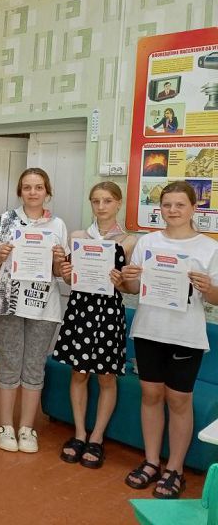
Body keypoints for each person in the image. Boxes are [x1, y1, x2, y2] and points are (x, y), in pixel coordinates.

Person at [121, 181, 218, 500]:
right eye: (167, 205)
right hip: (149, 330)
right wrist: (127, 281)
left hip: (185, 336)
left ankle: (175, 469)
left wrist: (208, 288)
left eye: (179, 205)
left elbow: (216, 298)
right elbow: (132, 289)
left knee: (178, 400)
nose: (172, 210)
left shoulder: (209, 248)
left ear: (193, 208)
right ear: (159, 208)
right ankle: (151, 462)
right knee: (150, 395)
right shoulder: (148, 241)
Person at [53, 182, 136, 470]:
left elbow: (130, 287)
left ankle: (97, 437)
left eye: (108, 201)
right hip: (80, 310)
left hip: (109, 313)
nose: (101, 206)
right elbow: (69, 280)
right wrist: (66, 272)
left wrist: (121, 282)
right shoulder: (78, 237)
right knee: (78, 373)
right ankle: (79, 433)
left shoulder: (129, 241)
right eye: (96, 201)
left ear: (118, 203)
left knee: (106, 377)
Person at [0, 167, 68, 453]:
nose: (33, 192)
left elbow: (59, 271)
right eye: (28, 187)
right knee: (9, 364)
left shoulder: (57, 225)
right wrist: (0, 255)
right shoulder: (5, 220)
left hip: (43, 305)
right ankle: (5, 426)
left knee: (34, 367)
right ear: (20, 191)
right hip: (7, 301)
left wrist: (59, 260)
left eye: (39, 187)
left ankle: (27, 428)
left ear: (47, 191)